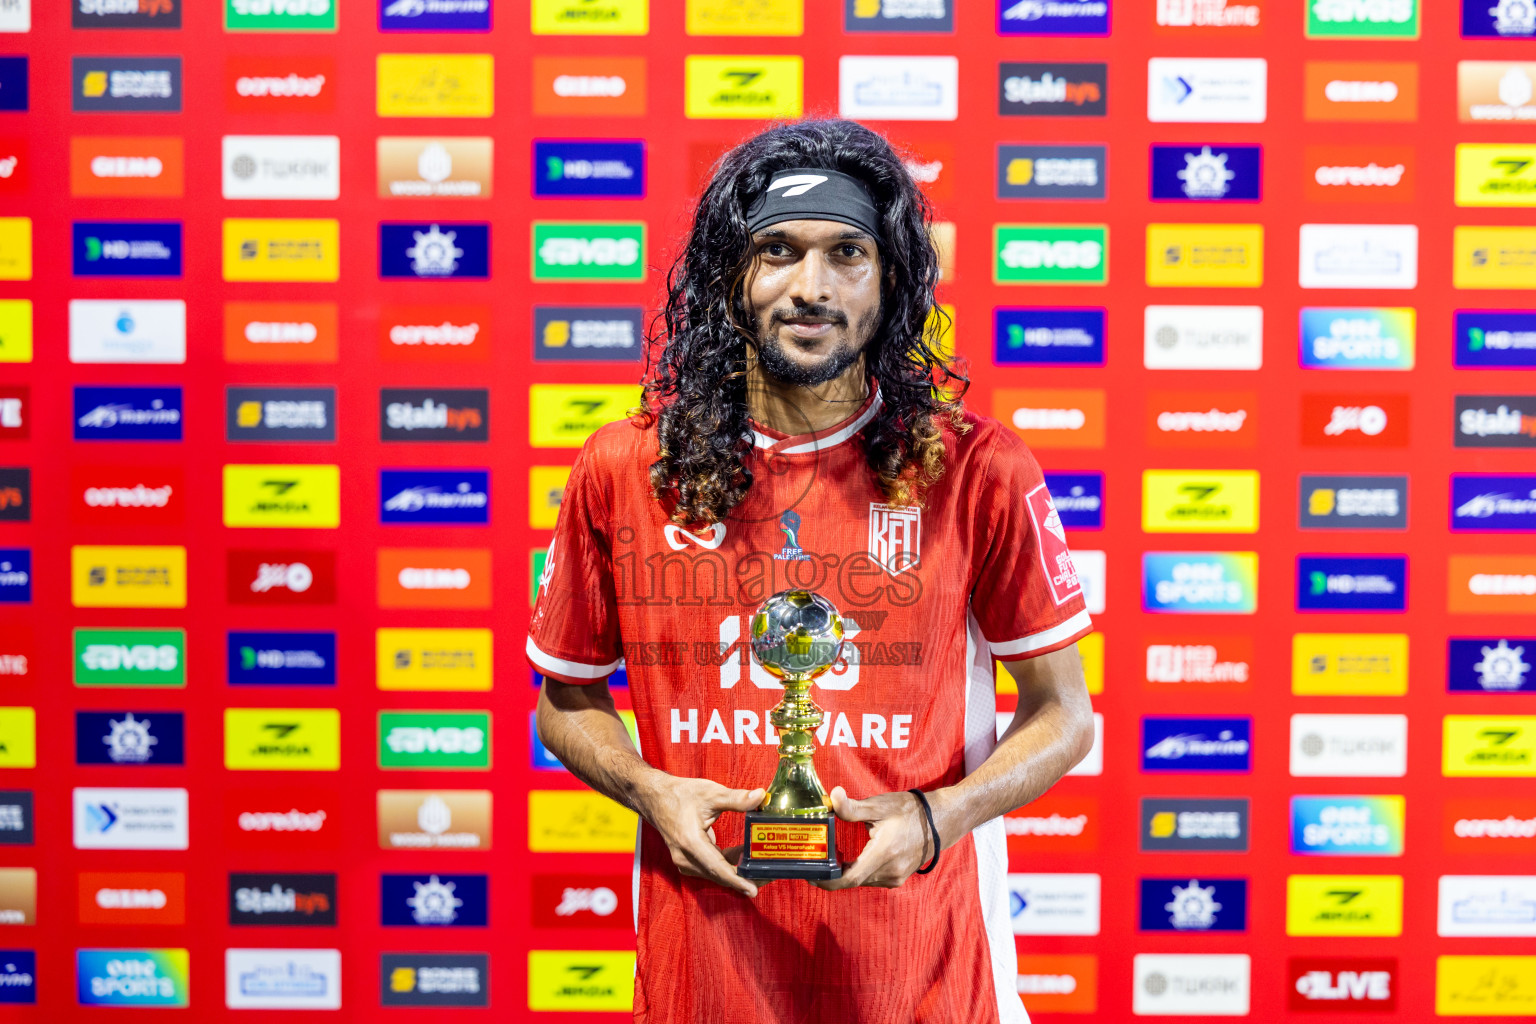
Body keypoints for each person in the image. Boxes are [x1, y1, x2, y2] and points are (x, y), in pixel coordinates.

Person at [529, 118, 1095, 1024]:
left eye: (847, 254)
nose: (811, 287)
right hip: (705, 976)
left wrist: (935, 818)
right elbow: (565, 703)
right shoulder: (625, 470)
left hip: (925, 976)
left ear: (891, 280)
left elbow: (1065, 717)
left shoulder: (977, 469)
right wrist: (650, 789)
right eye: (778, 252)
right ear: (729, 275)